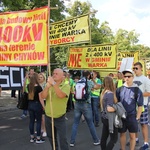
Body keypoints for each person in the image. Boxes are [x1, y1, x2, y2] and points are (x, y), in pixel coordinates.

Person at [40, 68, 70, 150]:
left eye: (56, 74)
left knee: (62, 139)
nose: (54, 75)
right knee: (51, 137)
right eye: (53, 73)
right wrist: (47, 87)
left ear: (62, 76)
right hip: (48, 116)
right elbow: (43, 96)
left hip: (60, 117)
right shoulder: (49, 85)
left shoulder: (66, 85)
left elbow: (61, 95)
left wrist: (53, 84)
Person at [70, 70, 100, 147]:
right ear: (89, 75)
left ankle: (72, 141)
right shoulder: (89, 82)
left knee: (75, 123)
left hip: (77, 104)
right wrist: (93, 79)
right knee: (90, 123)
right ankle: (96, 140)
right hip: (86, 104)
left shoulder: (78, 82)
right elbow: (98, 86)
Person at [116, 69, 143, 150]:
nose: (127, 78)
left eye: (129, 76)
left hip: (132, 117)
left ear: (132, 77)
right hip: (121, 116)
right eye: (125, 76)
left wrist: (137, 117)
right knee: (122, 134)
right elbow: (117, 103)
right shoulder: (119, 89)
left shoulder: (137, 90)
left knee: (132, 136)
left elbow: (140, 106)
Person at [133, 62, 150, 150]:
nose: (135, 70)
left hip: (143, 105)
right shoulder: (132, 78)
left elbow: (149, 92)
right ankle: (135, 139)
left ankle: (146, 143)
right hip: (133, 106)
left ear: (141, 69)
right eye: (134, 68)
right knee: (134, 124)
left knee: (144, 124)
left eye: (136, 68)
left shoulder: (146, 79)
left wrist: (138, 94)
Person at [100, 76, 118, 150]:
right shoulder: (110, 94)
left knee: (104, 137)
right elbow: (109, 109)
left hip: (104, 117)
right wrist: (118, 108)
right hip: (110, 118)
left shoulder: (103, 92)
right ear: (111, 83)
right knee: (114, 139)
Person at [28, 72, 45, 144]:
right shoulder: (39, 87)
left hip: (30, 104)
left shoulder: (29, 86)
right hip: (37, 104)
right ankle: (38, 138)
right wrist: (44, 106)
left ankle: (32, 137)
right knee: (38, 121)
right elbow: (41, 98)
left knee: (31, 121)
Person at [38, 72, 47, 137]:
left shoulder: (46, 85)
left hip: (44, 101)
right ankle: (41, 128)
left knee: (43, 117)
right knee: (39, 117)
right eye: (39, 77)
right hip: (38, 102)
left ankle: (45, 130)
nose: (40, 79)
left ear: (44, 78)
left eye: (41, 77)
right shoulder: (37, 85)